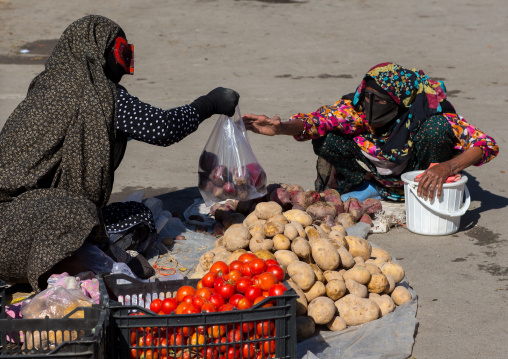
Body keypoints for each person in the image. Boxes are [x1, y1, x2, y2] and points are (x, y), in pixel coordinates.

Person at [0, 15, 239, 292]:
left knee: (138, 215)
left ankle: (92, 255)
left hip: (36, 214)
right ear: (98, 50)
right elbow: (162, 128)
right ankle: (95, 267)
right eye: (122, 53)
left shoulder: (49, 85)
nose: (124, 64)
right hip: (12, 224)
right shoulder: (95, 94)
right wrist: (208, 104)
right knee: (78, 214)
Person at [242, 62, 498, 202]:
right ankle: (368, 187)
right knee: (326, 137)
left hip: (421, 175)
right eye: (366, 97)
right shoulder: (356, 111)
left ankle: (422, 196)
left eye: (381, 100)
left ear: (401, 103)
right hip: (376, 174)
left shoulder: (427, 114)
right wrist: (280, 128)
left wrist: (447, 167)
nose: (370, 106)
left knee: (437, 130)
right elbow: (317, 122)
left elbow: (485, 144)